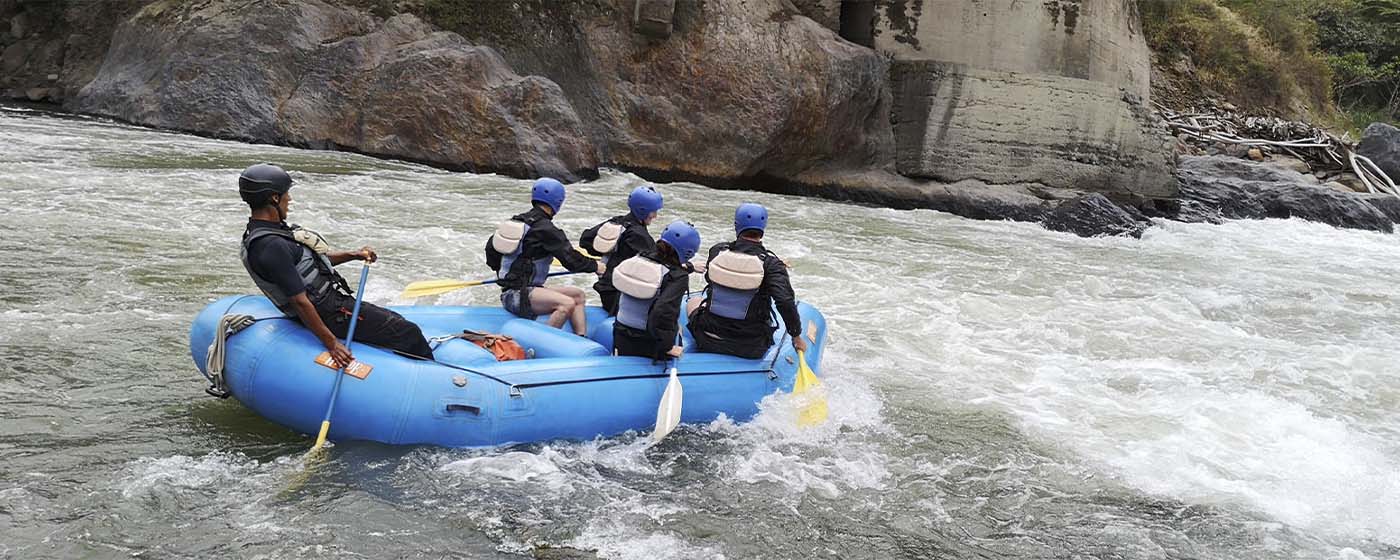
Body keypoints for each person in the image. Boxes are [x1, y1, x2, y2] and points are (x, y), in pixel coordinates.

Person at [237, 163, 433, 366]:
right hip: (331, 313)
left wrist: (353, 255)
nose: (290, 199)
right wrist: (332, 344)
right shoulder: (271, 245)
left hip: (332, 305)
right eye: (286, 194)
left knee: (394, 319)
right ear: (274, 198)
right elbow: (300, 302)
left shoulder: (264, 231)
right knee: (408, 332)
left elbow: (308, 265)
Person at [686, 203, 806, 359]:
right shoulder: (771, 264)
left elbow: (711, 277)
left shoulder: (716, 252)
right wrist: (796, 336)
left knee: (693, 301)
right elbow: (784, 301)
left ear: (737, 226)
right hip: (751, 347)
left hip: (707, 338)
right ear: (763, 229)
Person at [486, 178, 605, 335]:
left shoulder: (516, 221)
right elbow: (571, 260)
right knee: (566, 303)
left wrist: (506, 275)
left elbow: (491, 251)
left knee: (578, 295)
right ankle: (541, 340)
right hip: (518, 296)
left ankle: (581, 338)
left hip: (514, 291)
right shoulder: (546, 229)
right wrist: (596, 266)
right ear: (557, 202)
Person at [611, 221, 701, 360]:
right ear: (688, 251)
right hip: (648, 343)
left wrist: (689, 267)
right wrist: (667, 347)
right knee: (679, 328)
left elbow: (663, 268)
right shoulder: (678, 278)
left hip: (620, 335)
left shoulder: (639, 257)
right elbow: (663, 313)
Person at [580, 185, 663, 316]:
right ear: (642, 210)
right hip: (618, 297)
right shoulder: (639, 235)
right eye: (653, 211)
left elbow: (585, 240)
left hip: (606, 289)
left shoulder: (617, 222)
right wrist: (688, 266)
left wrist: (608, 250)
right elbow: (660, 263)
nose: (655, 215)